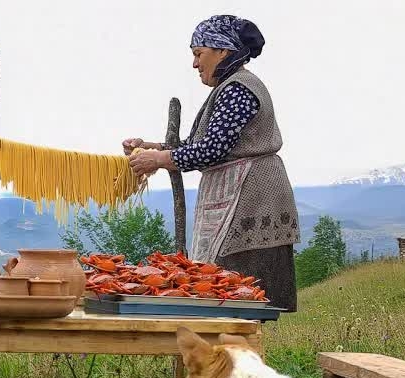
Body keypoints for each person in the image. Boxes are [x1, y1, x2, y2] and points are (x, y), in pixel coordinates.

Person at [125, 15, 300, 312]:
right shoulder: (231, 87)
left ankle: (237, 353)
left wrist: (160, 159)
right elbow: (205, 147)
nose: (195, 64)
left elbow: (213, 150)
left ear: (223, 51)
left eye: (198, 54)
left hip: (251, 198)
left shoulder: (239, 88)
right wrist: (154, 150)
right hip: (240, 191)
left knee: (239, 295)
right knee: (229, 293)